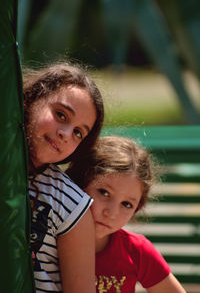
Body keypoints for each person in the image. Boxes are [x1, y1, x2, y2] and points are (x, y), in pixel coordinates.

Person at [66, 136, 186, 293]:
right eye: (104, 192)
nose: (111, 213)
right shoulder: (44, 241)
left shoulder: (137, 251)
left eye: (127, 204)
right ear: (79, 183)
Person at [23, 61, 104, 292]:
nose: (65, 134)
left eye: (78, 132)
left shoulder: (72, 205)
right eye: (60, 115)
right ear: (31, 99)